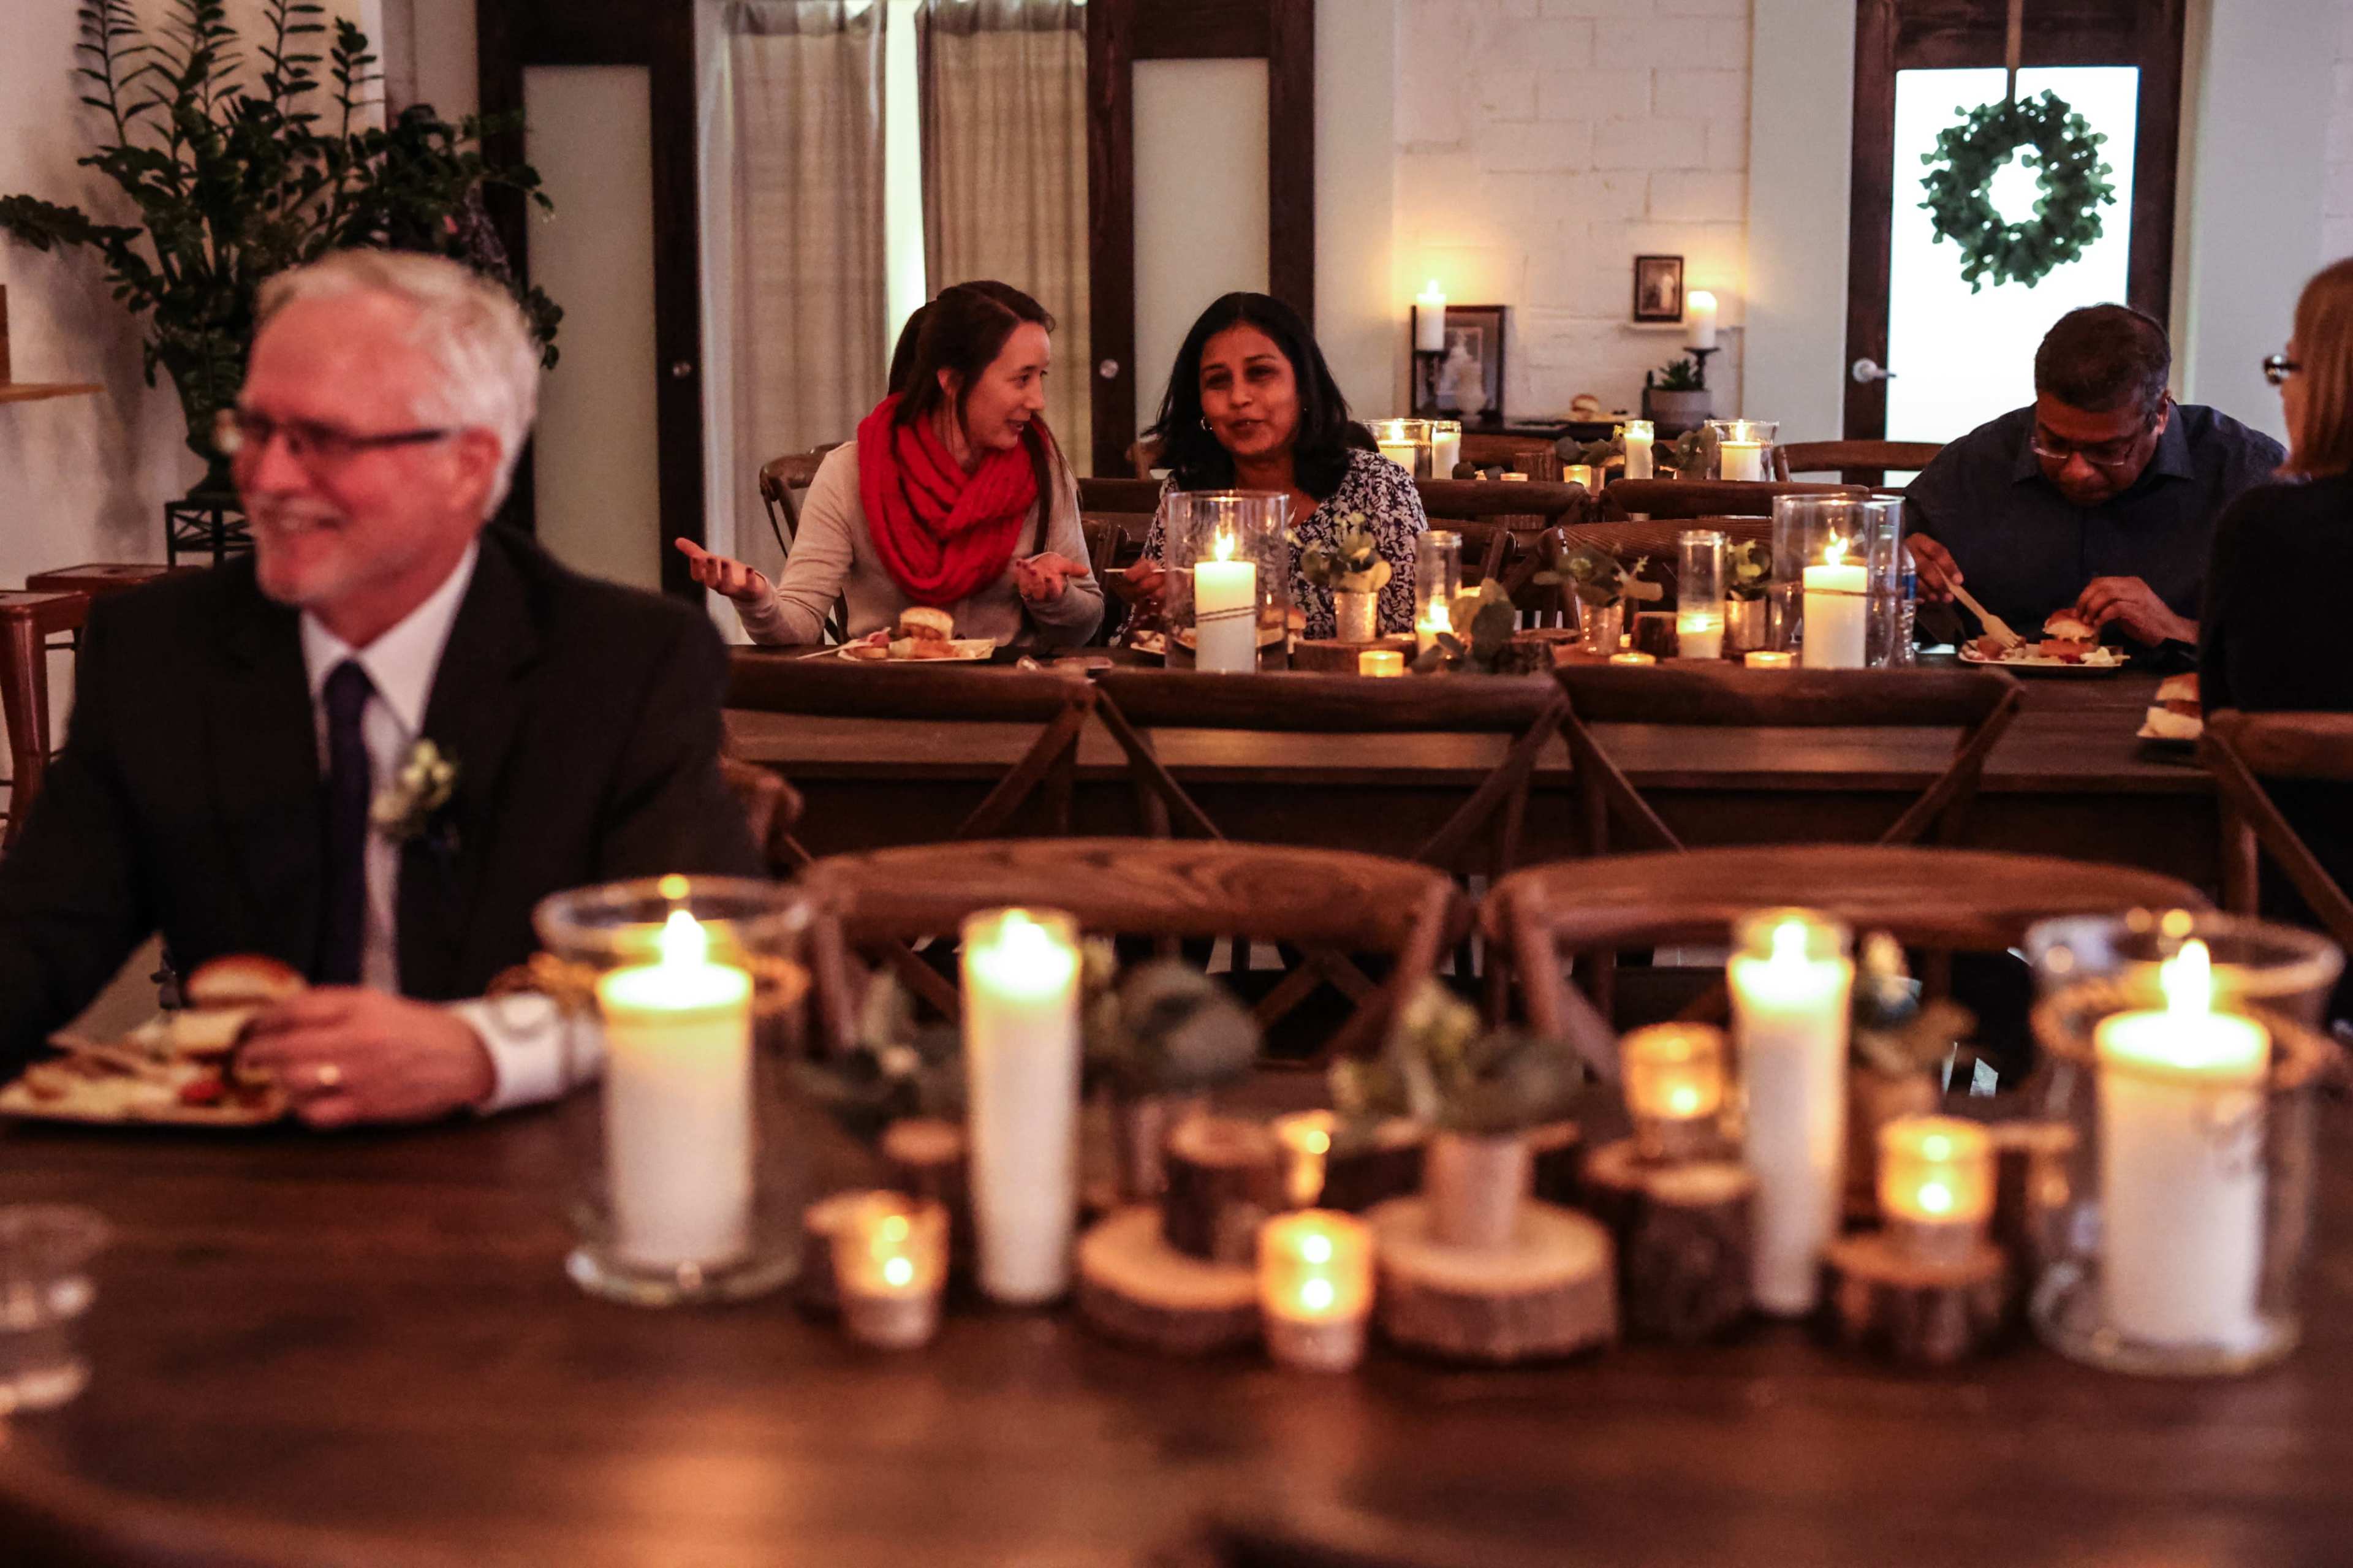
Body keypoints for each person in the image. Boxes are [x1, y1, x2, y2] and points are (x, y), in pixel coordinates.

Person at [0, 249, 759, 1123]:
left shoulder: (618, 664)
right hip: (250, 1171)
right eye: (255, 430)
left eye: (321, 440)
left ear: (467, 464)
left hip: (537, 1160)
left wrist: (486, 1050)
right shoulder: (163, 654)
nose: (268, 479)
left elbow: (702, 963)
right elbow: (35, 941)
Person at [679, 281, 1103, 648]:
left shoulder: (1040, 468)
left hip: (1008, 699)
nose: (1038, 401)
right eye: (1022, 379)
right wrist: (756, 597)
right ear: (953, 381)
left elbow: (1084, 627)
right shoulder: (851, 472)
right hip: (883, 694)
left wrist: (1056, 595)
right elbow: (801, 622)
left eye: (1041, 377)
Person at [1905, 304, 2284, 653]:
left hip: (2177, 698)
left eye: (2107, 451)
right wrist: (1895, 566)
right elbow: (1883, 550)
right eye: (2054, 444)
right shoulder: (1980, 463)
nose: (2077, 471)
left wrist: (2178, 629)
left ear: (2161, 413)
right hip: (2002, 696)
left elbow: (2302, 644)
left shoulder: (2247, 475)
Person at [2202, 257, 2353, 972]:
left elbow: (2223, 721)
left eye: (2288, 368)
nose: (2285, 390)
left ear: (2329, 385)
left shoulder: (2266, 528)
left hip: (2305, 942)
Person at [1127, 292, 1427, 638]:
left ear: (1304, 386)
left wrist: (1286, 632)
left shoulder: (1377, 487)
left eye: (1260, 373)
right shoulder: (1189, 495)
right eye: (1218, 381)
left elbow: (1416, 634)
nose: (1239, 397)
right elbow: (1140, 640)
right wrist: (1152, 612)